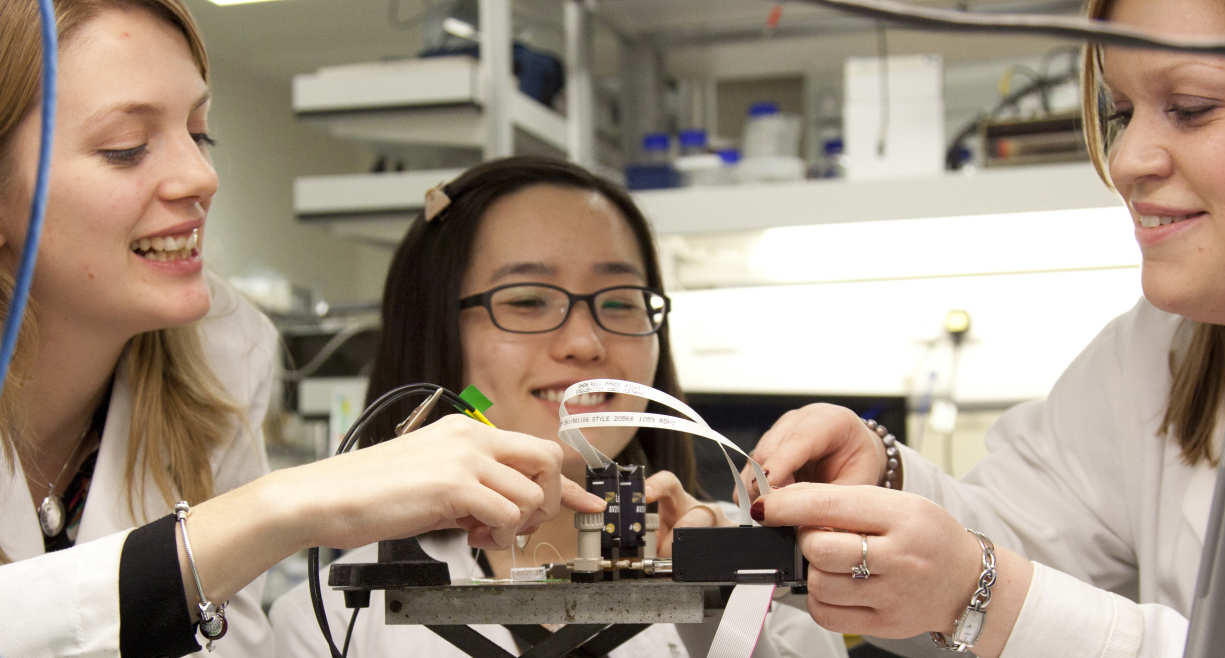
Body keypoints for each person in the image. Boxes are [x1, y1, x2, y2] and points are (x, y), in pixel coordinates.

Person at [0, 2, 594, 656]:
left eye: (199, 130)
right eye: (127, 146)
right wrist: (280, 511)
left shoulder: (220, 352)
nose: (198, 176)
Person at [743, 0, 1225, 657]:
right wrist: (878, 489)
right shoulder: (1161, 350)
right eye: (1122, 112)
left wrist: (984, 594)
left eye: (1191, 108)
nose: (1127, 161)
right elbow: (1017, 537)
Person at [268, 156, 846, 658]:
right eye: (526, 300)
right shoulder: (337, 624)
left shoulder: (778, 594)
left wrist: (721, 617)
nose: (586, 342)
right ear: (436, 333)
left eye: (619, 302)